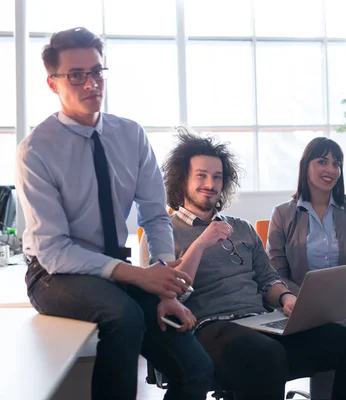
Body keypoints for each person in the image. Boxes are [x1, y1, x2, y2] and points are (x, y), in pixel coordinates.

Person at [15, 27, 213, 400]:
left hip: (112, 271)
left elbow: (155, 215)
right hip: (52, 274)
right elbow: (54, 249)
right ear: (52, 84)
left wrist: (165, 282)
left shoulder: (130, 135)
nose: (91, 83)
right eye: (76, 75)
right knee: (124, 316)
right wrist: (140, 277)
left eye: (97, 71)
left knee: (197, 370)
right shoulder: (36, 150)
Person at [156, 129, 346, 400]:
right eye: (201, 175)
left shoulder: (242, 228)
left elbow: (268, 278)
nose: (210, 184)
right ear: (182, 179)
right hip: (211, 326)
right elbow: (169, 292)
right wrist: (200, 243)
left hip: (262, 322)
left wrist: (286, 297)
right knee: (267, 355)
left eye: (217, 177)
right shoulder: (165, 231)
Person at [267, 137, 346, 400]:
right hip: (303, 300)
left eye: (336, 163)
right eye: (322, 161)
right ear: (306, 166)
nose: (330, 169)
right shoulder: (283, 213)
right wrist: (311, 301)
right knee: (334, 328)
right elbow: (275, 272)